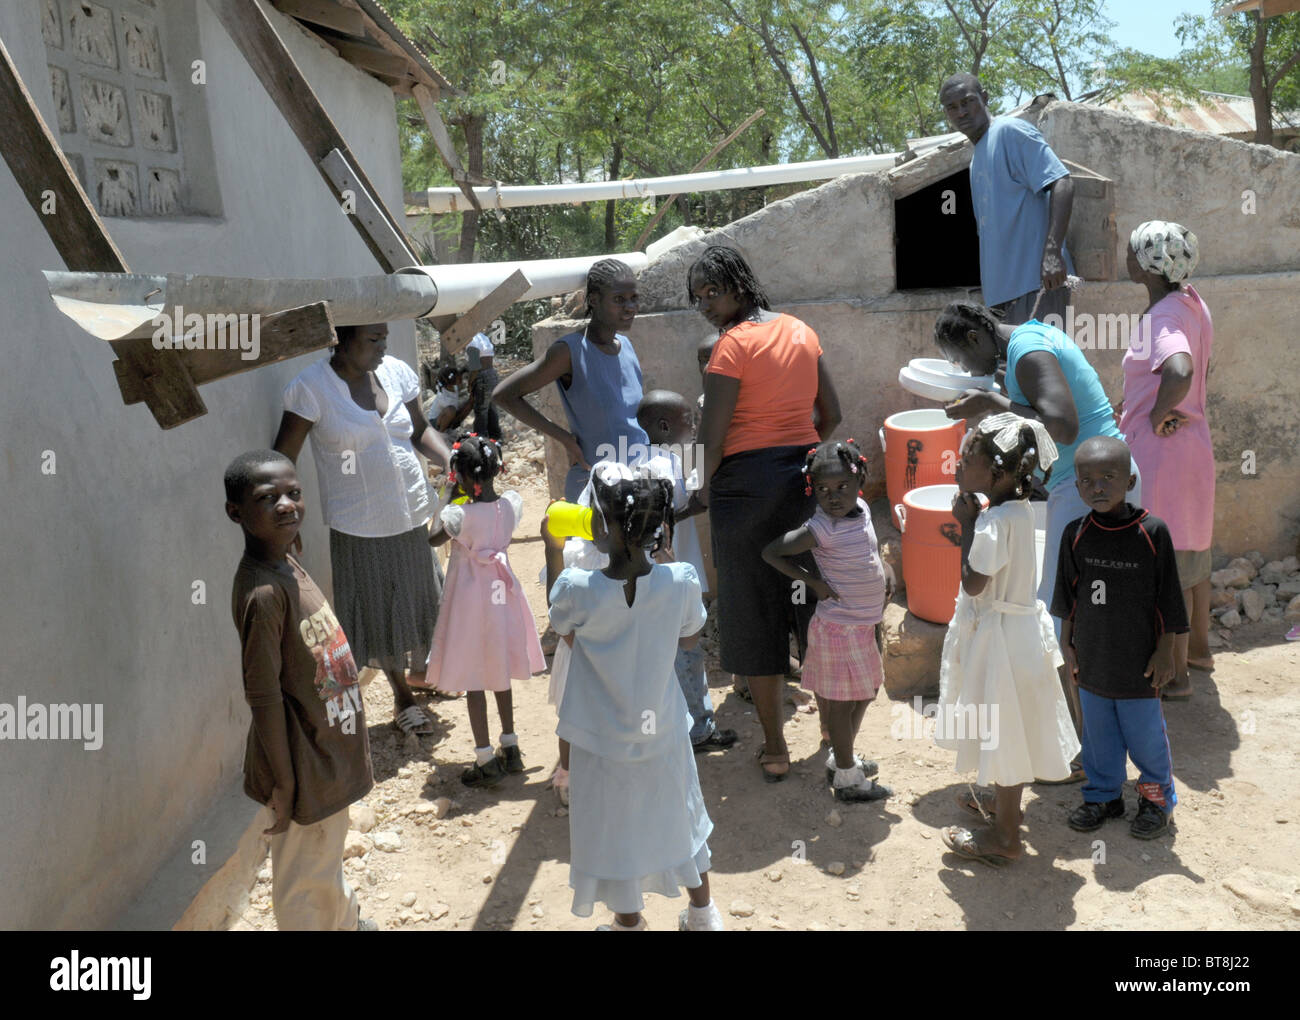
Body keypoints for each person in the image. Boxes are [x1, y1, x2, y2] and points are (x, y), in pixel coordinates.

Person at [935, 302, 1141, 777]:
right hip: (1089, 481)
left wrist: (991, 404)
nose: (968, 371)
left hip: (1091, 486)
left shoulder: (1026, 352)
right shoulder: (1023, 343)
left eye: (964, 361)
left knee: (1073, 624)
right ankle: (1092, 748)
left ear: (975, 339)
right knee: (1078, 619)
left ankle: (1092, 756)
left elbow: (1063, 425)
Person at [548, 464, 724, 931]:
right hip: (662, 730)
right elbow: (689, 640)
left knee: (613, 831)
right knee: (681, 815)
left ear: (601, 527)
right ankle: (703, 914)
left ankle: (629, 923)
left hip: (599, 740)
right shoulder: (681, 580)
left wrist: (552, 549)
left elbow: (565, 633)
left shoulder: (577, 589)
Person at [691, 245, 842, 783]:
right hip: (803, 483)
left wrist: (701, 491)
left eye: (713, 292)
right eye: (698, 298)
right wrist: (799, 456)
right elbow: (833, 414)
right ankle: (833, 735)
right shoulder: (802, 331)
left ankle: (775, 748)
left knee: (751, 607)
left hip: (742, 492)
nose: (706, 305)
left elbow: (712, 439)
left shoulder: (729, 348)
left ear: (739, 284)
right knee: (813, 605)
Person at [273, 323, 452, 736]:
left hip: (409, 512)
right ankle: (402, 697)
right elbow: (283, 459)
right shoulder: (312, 389)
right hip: (361, 524)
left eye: (385, 336)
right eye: (373, 339)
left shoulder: (395, 372)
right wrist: (286, 519)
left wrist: (449, 458)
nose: (383, 346)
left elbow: (421, 431)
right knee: (377, 612)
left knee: (421, 594)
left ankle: (424, 674)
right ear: (341, 339)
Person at [224, 450, 376, 930]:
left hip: (327, 755)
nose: (287, 505)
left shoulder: (287, 563)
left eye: (294, 493)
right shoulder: (263, 593)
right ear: (236, 513)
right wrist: (286, 782)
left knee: (324, 865)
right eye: (268, 498)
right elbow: (263, 694)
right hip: (303, 766)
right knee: (302, 889)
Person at [930, 418, 1079, 867]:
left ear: (996, 473)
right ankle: (1003, 806)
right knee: (1011, 727)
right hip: (1022, 636)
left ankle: (1005, 837)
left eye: (967, 460)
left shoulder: (992, 522)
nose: (956, 465)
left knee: (1004, 733)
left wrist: (966, 526)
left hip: (1000, 641)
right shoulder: (1022, 511)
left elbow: (974, 583)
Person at [1051, 436, 1188, 841]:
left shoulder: (1152, 532)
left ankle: (1155, 800)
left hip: (1140, 664)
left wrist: (1166, 653)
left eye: (1108, 478)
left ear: (1129, 481)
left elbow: (1170, 600)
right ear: (1077, 487)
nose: (1097, 487)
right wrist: (1067, 644)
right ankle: (1104, 796)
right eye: (1087, 480)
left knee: (1145, 739)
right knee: (1098, 737)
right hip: (1092, 659)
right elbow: (1068, 598)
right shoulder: (1075, 534)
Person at [762, 439, 894, 802]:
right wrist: (813, 582)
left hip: (864, 623)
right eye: (822, 489)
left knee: (867, 691)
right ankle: (848, 778)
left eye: (842, 487)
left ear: (860, 482)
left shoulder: (863, 509)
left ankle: (842, 757)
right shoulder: (820, 529)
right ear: (812, 490)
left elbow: (868, 545)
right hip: (839, 628)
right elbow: (771, 552)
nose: (833, 497)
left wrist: (885, 566)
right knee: (840, 703)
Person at [1119, 221, 1213, 700]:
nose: (1126, 257)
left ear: (1148, 267)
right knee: (1190, 557)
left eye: (1132, 251)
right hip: (1191, 450)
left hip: (1162, 460)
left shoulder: (1164, 319)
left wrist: (1155, 415)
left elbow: (1180, 368)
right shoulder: (1191, 302)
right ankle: (1198, 651)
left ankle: (1174, 677)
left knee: (1162, 565)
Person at [427, 434, 545, 786]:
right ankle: (511, 747)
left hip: (470, 605)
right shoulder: (510, 505)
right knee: (499, 670)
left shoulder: (458, 515)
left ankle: (484, 758)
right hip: (502, 601)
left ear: (460, 476)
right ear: (497, 470)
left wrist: (450, 492)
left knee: (474, 678)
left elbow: (433, 537)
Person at [493, 258, 650, 502]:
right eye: (619, 299)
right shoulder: (570, 351)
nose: (630, 307)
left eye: (634, 298)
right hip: (597, 487)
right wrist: (564, 438)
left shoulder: (626, 346)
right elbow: (504, 395)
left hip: (637, 480)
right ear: (594, 300)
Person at [637, 390, 738, 753]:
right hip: (669, 577)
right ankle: (699, 728)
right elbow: (656, 520)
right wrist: (696, 505)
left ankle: (669, 724)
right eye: (688, 421)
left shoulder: (644, 458)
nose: (695, 427)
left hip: (652, 581)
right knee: (687, 651)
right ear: (665, 426)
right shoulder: (663, 465)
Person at [939, 72, 1075, 326]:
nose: (961, 113)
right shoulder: (978, 154)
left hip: (1038, 284)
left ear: (985, 98)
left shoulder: (1009, 132)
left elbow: (1062, 182)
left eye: (967, 102)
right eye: (952, 107)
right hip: (1003, 296)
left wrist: (1053, 253)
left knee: (1041, 363)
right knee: (1019, 366)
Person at [466, 331, 502, 442]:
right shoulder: (483, 337)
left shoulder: (471, 341)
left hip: (482, 376)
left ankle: (480, 440)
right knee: (492, 408)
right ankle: (495, 437)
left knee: (481, 410)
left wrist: (470, 383)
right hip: (492, 374)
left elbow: (475, 367)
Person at [425, 363, 474, 442]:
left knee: (469, 404)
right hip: (435, 423)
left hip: (447, 418)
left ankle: (449, 429)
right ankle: (440, 435)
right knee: (452, 410)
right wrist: (461, 414)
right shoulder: (444, 398)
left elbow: (459, 373)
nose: (461, 379)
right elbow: (453, 412)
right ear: (451, 382)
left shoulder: (452, 386)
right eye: (459, 378)